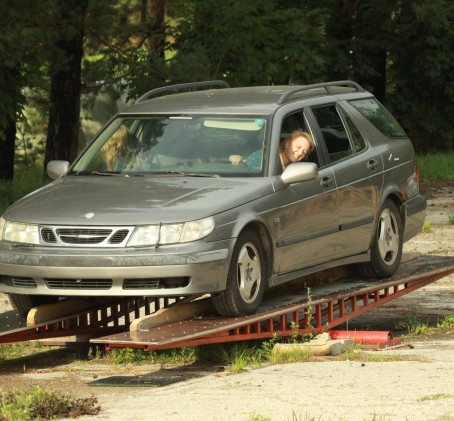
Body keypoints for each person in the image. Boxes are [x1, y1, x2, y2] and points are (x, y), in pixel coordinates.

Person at [229, 130, 315, 172]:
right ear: (287, 144)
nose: (300, 153)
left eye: (304, 152)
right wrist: (239, 161)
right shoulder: (262, 157)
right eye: (298, 147)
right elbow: (246, 168)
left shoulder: (297, 170)